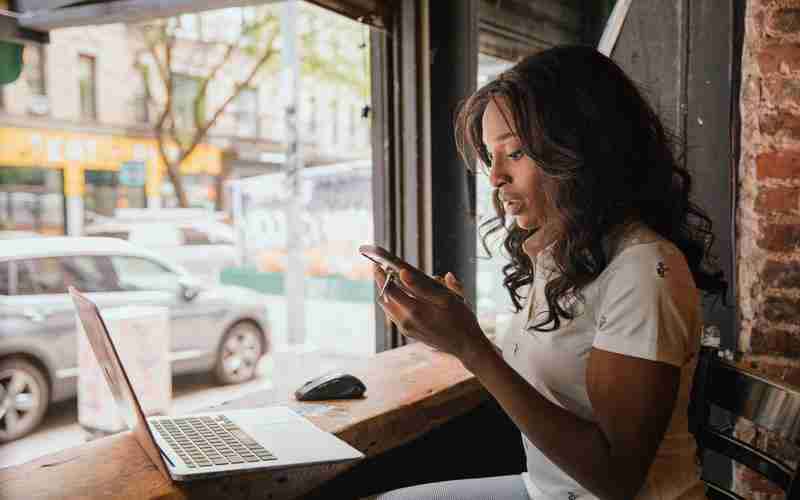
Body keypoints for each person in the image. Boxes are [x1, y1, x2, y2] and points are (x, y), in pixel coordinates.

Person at [370, 45, 727, 500]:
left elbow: (617, 480)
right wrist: (450, 329)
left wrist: (471, 347)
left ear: (581, 150)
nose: (495, 176)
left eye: (515, 152)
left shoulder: (643, 271)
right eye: (490, 156)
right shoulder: (566, 254)